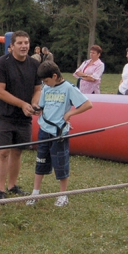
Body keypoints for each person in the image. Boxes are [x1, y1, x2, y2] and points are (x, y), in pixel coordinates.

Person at [27, 62, 93, 207]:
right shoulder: (46, 89)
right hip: (44, 130)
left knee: (61, 164)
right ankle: (35, 192)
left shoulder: (69, 88)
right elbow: (43, 107)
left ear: (55, 76)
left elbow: (88, 104)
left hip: (59, 133)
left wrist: (71, 113)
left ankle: (63, 195)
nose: (45, 84)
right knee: (41, 161)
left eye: (46, 81)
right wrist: (36, 110)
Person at [0, 30, 41, 199]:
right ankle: (1, 190)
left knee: (18, 151)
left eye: (26, 43)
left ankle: (12, 186)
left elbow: (37, 89)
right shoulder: (1, 64)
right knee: (3, 152)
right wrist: (22, 104)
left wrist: (34, 104)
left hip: (24, 118)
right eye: (19, 43)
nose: (24, 46)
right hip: (4, 116)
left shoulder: (34, 65)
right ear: (11, 46)